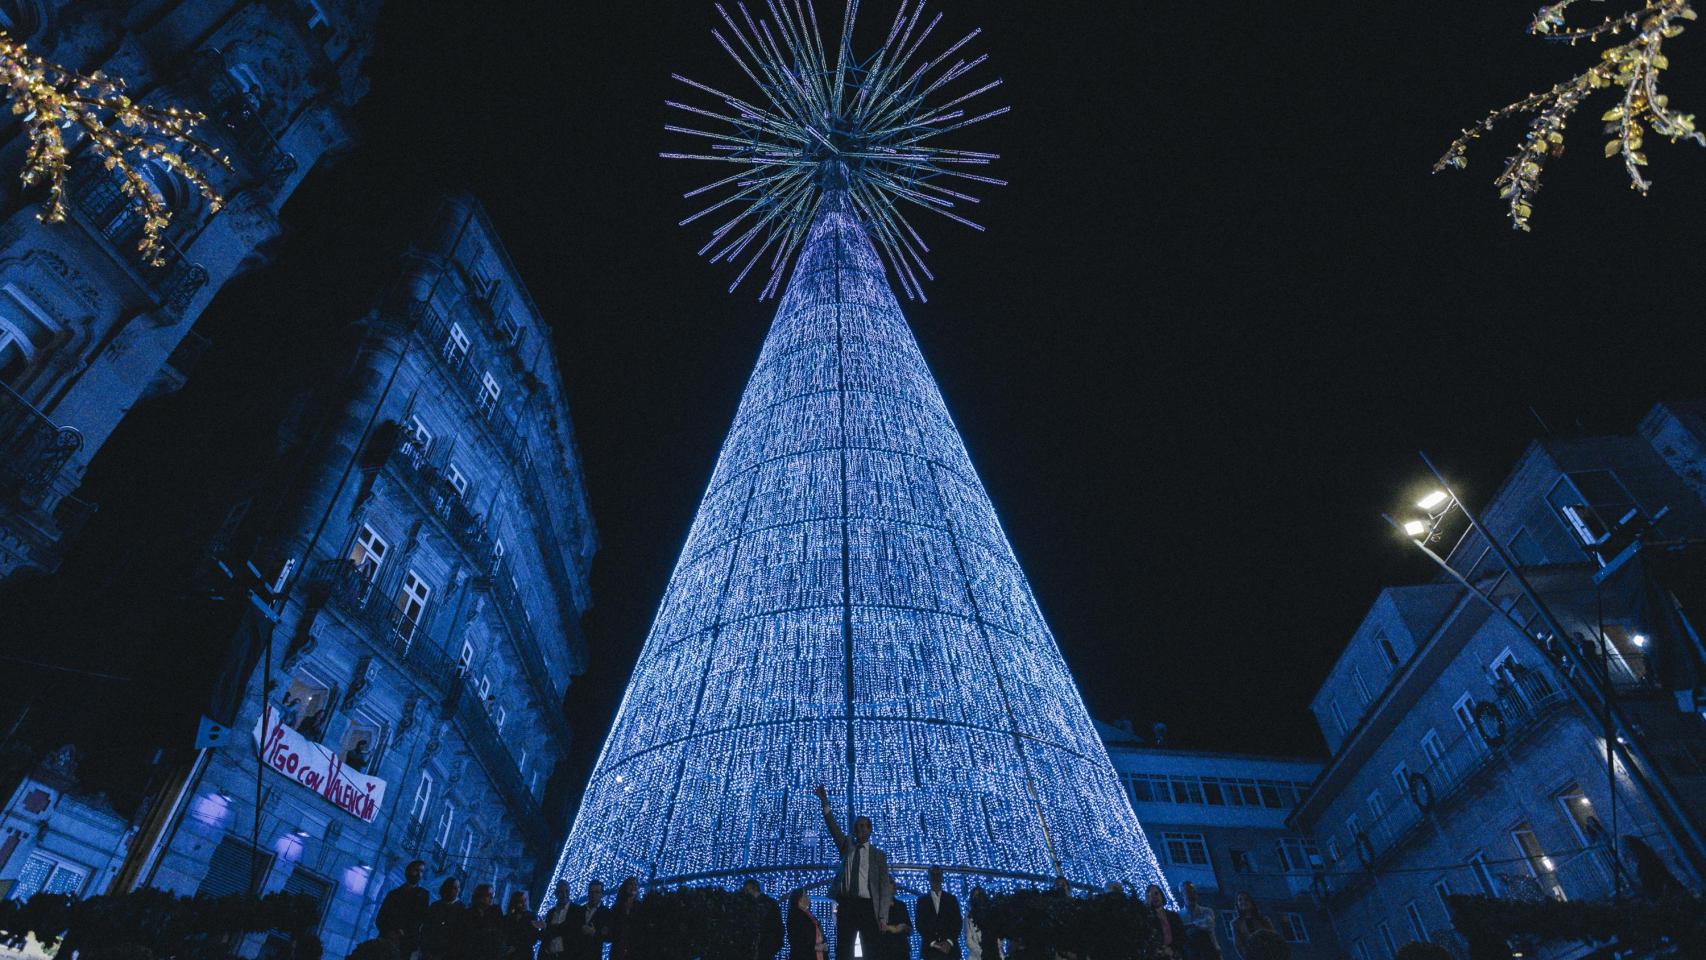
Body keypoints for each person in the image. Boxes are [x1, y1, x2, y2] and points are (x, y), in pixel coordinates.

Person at [813, 784, 891, 960]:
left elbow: (884, 888)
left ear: (870, 830)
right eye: (859, 826)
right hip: (847, 904)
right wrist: (825, 803)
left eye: (865, 826)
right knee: (844, 949)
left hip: (868, 906)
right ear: (855, 830)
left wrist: (883, 917)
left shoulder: (878, 855)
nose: (862, 829)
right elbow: (833, 828)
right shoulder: (847, 845)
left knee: (871, 949)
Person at [375, 860, 430, 960]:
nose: (418, 874)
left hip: (406, 943)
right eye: (416, 870)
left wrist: (404, 932)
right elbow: (381, 917)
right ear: (408, 871)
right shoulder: (393, 894)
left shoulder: (423, 895)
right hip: (387, 939)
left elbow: (420, 919)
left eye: (421, 871)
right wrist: (391, 931)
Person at [915, 867, 962, 960]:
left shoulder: (951, 899)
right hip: (930, 951)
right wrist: (933, 943)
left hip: (950, 951)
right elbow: (919, 924)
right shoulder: (922, 901)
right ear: (928, 878)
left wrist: (949, 942)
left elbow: (958, 923)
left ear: (942, 878)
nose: (935, 878)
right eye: (933, 875)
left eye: (938, 875)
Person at [419, 878, 464, 960]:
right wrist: (425, 950)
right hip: (427, 952)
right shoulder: (435, 906)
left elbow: (458, 937)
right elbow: (426, 929)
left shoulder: (461, 910)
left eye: (457, 888)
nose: (456, 891)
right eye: (453, 887)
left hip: (446, 955)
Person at [565, 880, 610, 960]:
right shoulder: (578, 911)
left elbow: (609, 937)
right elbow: (570, 930)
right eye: (591, 892)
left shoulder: (607, 913)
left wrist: (594, 933)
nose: (593, 895)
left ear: (601, 894)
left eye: (597, 892)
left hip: (592, 955)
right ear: (588, 893)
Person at [1177, 882, 1220, 960]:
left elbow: (1209, 925)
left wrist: (1189, 926)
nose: (1191, 895)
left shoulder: (1207, 911)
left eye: (1193, 891)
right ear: (1181, 895)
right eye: (1188, 892)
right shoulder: (1178, 916)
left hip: (1210, 953)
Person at [464, 884, 507, 960]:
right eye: (488, 895)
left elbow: (501, 933)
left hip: (490, 954)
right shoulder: (469, 913)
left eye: (492, 895)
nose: (491, 898)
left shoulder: (496, 912)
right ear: (480, 896)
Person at [746, 878, 785, 960]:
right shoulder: (770, 902)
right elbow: (778, 924)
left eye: (747, 889)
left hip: (764, 942)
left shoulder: (752, 904)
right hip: (768, 943)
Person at [1231, 893, 1278, 960]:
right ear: (1237, 904)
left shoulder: (1264, 920)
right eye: (1240, 900)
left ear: (1251, 902)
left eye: (1246, 899)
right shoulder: (1235, 924)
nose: (1243, 902)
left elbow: (1273, 937)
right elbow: (1238, 944)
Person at [1145, 885, 1186, 959]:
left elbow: (1182, 935)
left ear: (1161, 895)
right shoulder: (1148, 919)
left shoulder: (1174, 916)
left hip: (1176, 954)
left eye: (1156, 893)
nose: (1154, 897)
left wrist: (1173, 950)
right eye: (1151, 895)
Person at [786, 888, 827, 960]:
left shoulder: (808, 913)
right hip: (804, 955)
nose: (808, 898)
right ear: (799, 899)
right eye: (805, 896)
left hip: (816, 953)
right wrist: (814, 947)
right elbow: (796, 940)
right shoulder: (795, 915)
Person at [501, 890, 543, 960]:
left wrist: (516, 946)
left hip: (524, 954)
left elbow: (533, 938)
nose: (524, 904)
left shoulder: (532, 917)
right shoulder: (509, 917)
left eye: (525, 900)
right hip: (510, 954)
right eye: (520, 901)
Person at [963, 887, 1000, 960]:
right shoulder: (968, 916)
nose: (978, 898)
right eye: (975, 896)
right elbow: (968, 939)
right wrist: (981, 952)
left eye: (979, 895)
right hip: (976, 955)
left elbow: (999, 936)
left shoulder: (992, 912)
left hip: (994, 953)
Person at [541, 881, 575, 959]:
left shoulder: (577, 911)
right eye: (561, 892)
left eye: (567, 891)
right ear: (556, 893)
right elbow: (546, 936)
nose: (565, 895)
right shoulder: (550, 913)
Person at [878, 881, 911, 960]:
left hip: (902, 950)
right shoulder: (878, 906)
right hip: (884, 950)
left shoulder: (901, 905)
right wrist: (892, 928)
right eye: (891, 882)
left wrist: (903, 927)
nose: (894, 885)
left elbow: (910, 929)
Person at [608, 877, 639, 960]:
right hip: (618, 950)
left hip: (635, 950)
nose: (633, 887)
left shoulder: (641, 907)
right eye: (631, 884)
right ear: (625, 887)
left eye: (635, 884)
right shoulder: (616, 908)